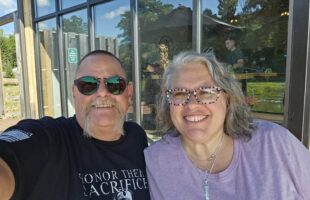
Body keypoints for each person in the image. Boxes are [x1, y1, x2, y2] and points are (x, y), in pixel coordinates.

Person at [144, 51, 310, 199]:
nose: (192, 104)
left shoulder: (275, 144)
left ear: (228, 97)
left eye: (206, 92)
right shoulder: (154, 161)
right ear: (168, 104)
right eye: (179, 93)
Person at [0, 50, 150, 200]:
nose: (103, 93)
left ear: (129, 93)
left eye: (115, 84)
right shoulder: (49, 138)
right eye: (88, 84)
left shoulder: (137, 136)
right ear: (74, 92)